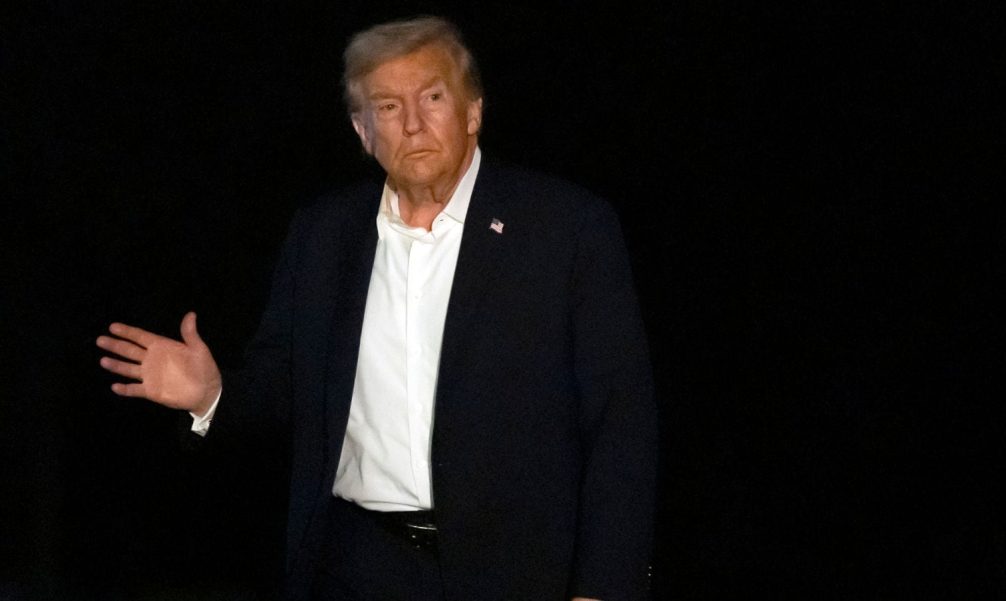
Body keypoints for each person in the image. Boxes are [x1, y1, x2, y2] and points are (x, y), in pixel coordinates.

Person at [98, 15, 656, 601]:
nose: (413, 123)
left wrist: (603, 588)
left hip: (518, 573)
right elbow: (285, 389)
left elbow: (620, 424)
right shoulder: (324, 236)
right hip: (357, 565)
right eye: (388, 107)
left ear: (473, 111)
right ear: (363, 131)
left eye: (433, 97)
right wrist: (212, 396)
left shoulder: (566, 230)